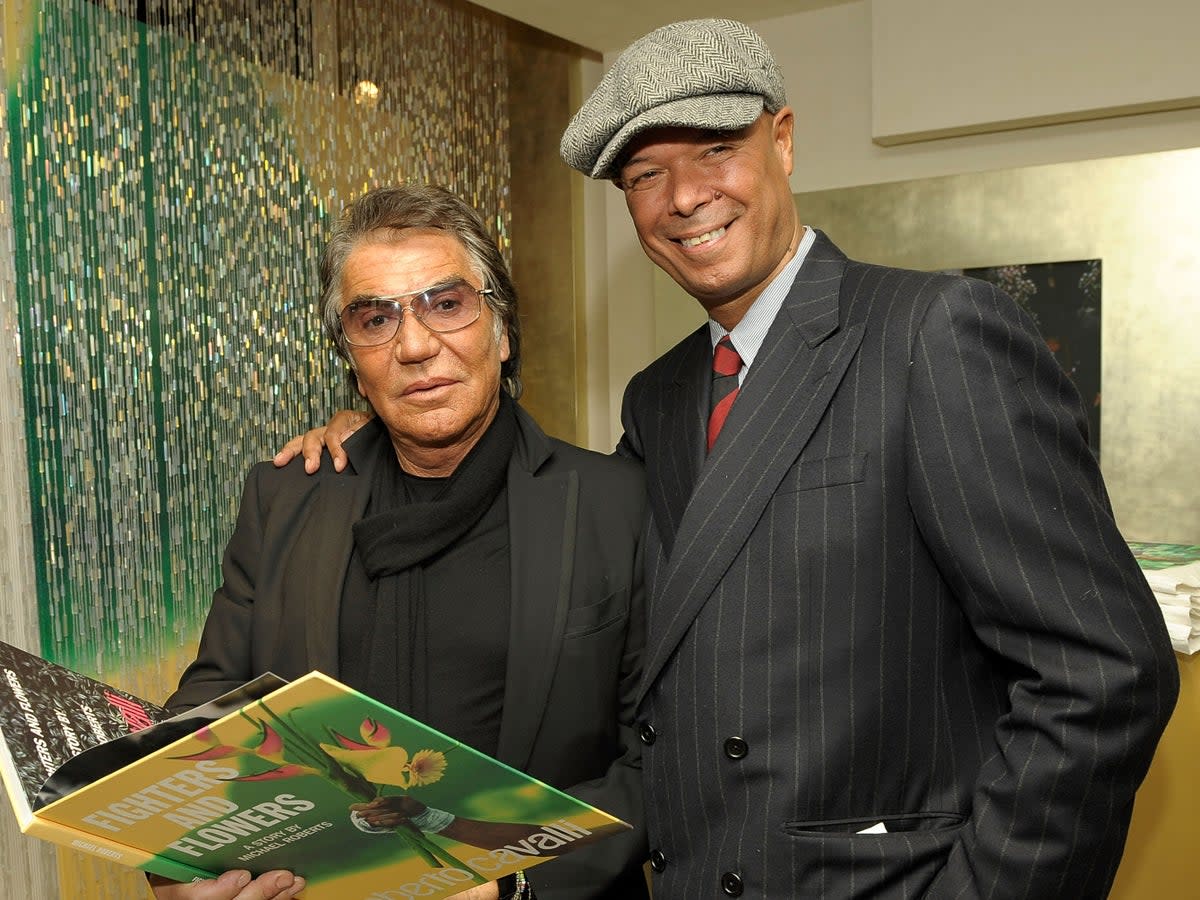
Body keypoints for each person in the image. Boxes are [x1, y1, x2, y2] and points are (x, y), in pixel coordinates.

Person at [278, 19, 1180, 900]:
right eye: (645, 174)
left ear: (782, 142)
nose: (684, 197)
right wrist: (384, 433)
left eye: (714, 150)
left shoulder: (931, 334)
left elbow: (1102, 671)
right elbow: (611, 589)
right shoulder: (660, 398)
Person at [153, 184, 649, 900]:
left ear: (503, 333)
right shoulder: (288, 495)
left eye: (447, 304)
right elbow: (213, 705)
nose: (415, 346)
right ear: (351, 357)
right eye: (375, 318)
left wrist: (514, 885)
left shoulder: (617, 502)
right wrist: (179, 863)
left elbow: (658, 760)